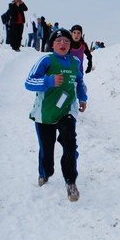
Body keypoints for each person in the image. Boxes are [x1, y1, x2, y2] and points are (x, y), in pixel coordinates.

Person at [24, 28, 88, 202]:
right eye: (59, 41)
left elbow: (79, 81)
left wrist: (82, 97)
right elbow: (29, 82)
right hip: (45, 112)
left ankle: (71, 181)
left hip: (67, 110)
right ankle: (45, 173)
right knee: (47, 149)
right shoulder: (46, 60)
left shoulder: (75, 61)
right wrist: (49, 81)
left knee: (70, 144)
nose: (63, 44)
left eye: (66, 41)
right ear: (52, 44)